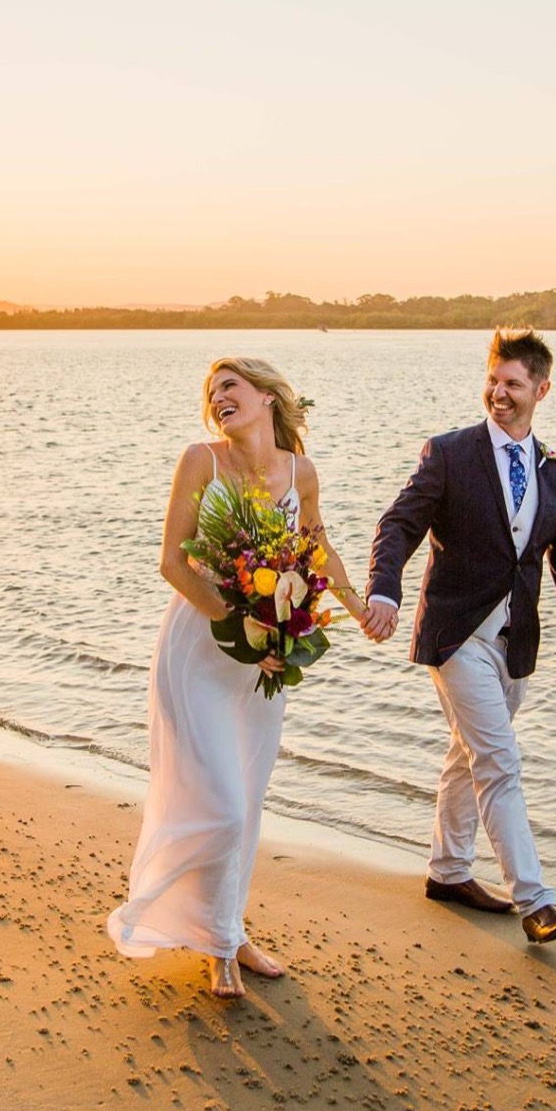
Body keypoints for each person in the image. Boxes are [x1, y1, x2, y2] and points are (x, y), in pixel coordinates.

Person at [109, 358, 370, 998]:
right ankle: (215, 944)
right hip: (201, 646)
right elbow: (174, 562)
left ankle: (228, 931)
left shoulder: (300, 472)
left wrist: (359, 606)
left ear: (265, 397)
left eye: (230, 386)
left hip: (264, 662)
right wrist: (243, 625)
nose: (218, 397)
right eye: (211, 391)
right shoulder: (201, 460)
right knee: (220, 801)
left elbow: (316, 548)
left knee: (247, 800)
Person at [363, 329, 556, 943]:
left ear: (541, 390)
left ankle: (449, 871)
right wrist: (383, 590)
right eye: (493, 380)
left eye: (513, 384)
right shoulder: (449, 453)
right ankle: (536, 902)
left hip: (515, 643)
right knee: (499, 761)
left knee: (468, 755)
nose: (498, 394)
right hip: (454, 636)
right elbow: (399, 523)